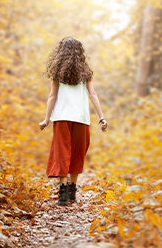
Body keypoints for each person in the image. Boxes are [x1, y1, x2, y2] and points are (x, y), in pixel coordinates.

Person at [35, 37, 109, 206]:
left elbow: (52, 96)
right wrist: (101, 117)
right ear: (80, 52)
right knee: (77, 152)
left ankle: (62, 194)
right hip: (81, 118)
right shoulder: (86, 72)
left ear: (61, 52)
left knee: (61, 152)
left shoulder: (57, 72)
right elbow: (93, 95)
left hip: (61, 117)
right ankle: (72, 192)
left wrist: (46, 119)